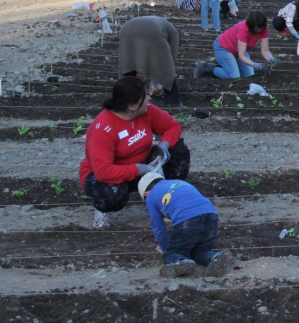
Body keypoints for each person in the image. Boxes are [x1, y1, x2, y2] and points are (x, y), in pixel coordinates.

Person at [79, 76, 191, 229]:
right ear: (131, 106)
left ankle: (165, 198)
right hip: (106, 174)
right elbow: (103, 171)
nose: (149, 98)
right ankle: (101, 211)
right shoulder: (103, 128)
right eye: (145, 97)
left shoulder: (147, 111)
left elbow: (173, 127)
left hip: (141, 166)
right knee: (113, 194)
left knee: (178, 150)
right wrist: (138, 169)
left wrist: (163, 147)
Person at [138, 172, 231, 278]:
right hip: (211, 215)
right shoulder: (180, 182)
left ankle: (180, 261)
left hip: (187, 219)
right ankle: (215, 257)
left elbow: (158, 227)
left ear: (146, 193)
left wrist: (165, 250)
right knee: (200, 251)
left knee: (171, 254)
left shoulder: (150, 197)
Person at [120, 16, 183, 106]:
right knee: (166, 67)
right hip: (152, 30)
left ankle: (126, 97)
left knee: (129, 63)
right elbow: (170, 59)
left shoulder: (164, 24)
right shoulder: (174, 32)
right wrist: (159, 77)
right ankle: (173, 100)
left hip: (126, 29)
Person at [195, 11, 276, 79]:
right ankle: (208, 67)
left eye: (261, 28)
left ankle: (224, 63)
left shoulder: (264, 29)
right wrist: (256, 65)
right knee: (235, 77)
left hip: (238, 50)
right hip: (223, 48)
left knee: (249, 76)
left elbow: (265, 50)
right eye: (257, 28)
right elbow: (242, 56)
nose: (259, 30)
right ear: (251, 25)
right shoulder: (244, 29)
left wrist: (271, 60)